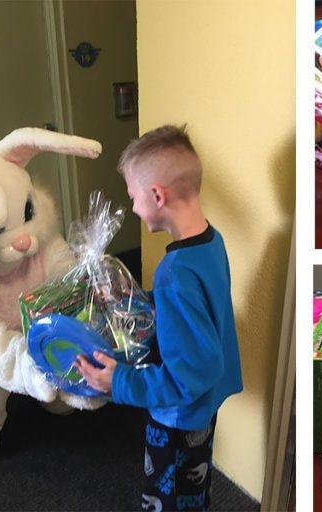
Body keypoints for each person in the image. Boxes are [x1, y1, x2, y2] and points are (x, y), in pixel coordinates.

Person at [75, 124, 243, 512]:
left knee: (167, 498)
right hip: (202, 408)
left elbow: (190, 373)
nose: (132, 206)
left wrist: (119, 381)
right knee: (193, 490)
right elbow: (194, 312)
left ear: (157, 195)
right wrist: (135, 298)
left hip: (177, 416)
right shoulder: (210, 242)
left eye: (133, 197)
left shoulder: (175, 272)